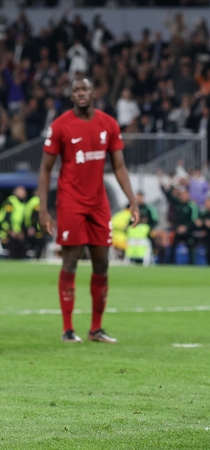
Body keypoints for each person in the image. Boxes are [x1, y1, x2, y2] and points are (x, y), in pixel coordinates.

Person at [37, 78, 139, 344]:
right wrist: (43, 210)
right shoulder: (60, 126)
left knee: (102, 262)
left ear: (94, 93)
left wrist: (132, 201)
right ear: (71, 95)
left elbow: (119, 166)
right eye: (76, 90)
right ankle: (68, 329)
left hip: (98, 202)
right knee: (71, 259)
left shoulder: (109, 124)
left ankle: (96, 329)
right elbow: (45, 169)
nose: (80, 94)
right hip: (70, 200)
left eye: (85, 89)